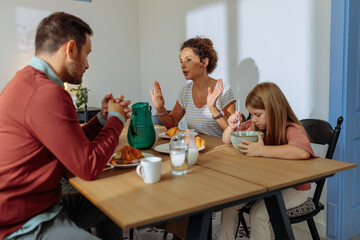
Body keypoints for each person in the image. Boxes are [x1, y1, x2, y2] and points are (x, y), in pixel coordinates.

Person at [0, 12, 131, 240]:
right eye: (87, 54)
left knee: (114, 208)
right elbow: (88, 167)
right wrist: (117, 120)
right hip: (24, 224)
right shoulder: (47, 93)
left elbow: (68, 141)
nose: (87, 64)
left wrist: (101, 119)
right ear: (71, 49)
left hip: (42, 207)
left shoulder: (27, 81)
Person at [219, 82, 317, 240]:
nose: (253, 119)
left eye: (257, 115)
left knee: (259, 214)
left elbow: (302, 152)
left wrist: (262, 150)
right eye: (251, 115)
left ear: (274, 110)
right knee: (228, 205)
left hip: (294, 189)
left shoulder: (291, 129)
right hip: (264, 186)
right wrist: (230, 127)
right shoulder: (255, 127)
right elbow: (226, 141)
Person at [150, 36, 236, 137]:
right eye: (181, 61)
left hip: (219, 150)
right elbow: (171, 124)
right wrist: (160, 108)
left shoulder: (224, 91)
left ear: (204, 62)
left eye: (188, 60)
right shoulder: (185, 91)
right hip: (194, 148)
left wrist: (213, 109)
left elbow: (233, 134)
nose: (183, 65)